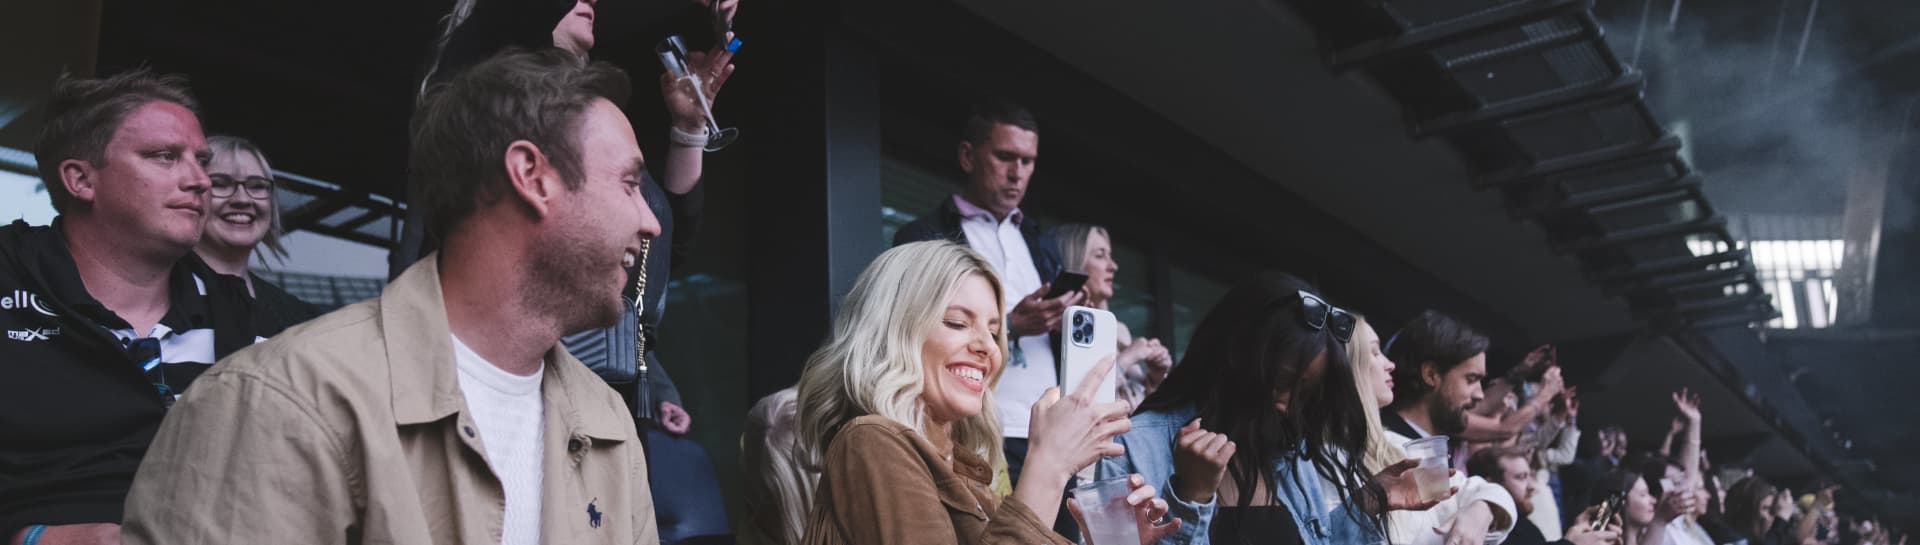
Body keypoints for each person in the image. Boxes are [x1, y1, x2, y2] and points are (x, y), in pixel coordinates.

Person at [120, 49, 662, 544]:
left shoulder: (607, 420)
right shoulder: (276, 401)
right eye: (630, 185)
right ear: (531, 176)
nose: (649, 224)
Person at [2, 69, 263, 545]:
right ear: (81, 179)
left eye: (201, 161)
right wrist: (33, 538)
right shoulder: (8, 287)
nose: (201, 181)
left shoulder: (246, 322)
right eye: (165, 156)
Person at [793, 241, 1175, 544]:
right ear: (894, 329)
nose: (988, 347)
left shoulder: (970, 479)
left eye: (994, 332)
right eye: (957, 323)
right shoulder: (870, 441)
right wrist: (1049, 466)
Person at [1100, 274, 1436, 545]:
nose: (1288, 406)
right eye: (1283, 383)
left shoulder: (1287, 449)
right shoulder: (1133, 449)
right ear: (1235, 358)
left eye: (1307, 393)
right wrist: (1192, 495)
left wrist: (1363, 505)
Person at [892, 102, 1081, 486]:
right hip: (973, 428)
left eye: (1028, 161)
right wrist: (1011, 325)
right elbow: (910, 331)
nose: (1017, 174)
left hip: (1051, 427)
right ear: (967, 155)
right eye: (1005, 157)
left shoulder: (1041, 243)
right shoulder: (924, 236)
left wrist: (1071, 315)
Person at [1381, 310, 1523, 545]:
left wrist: (1483, 508)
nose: (1479, 394)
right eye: (1471, 379)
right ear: (1431, 374)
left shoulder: (1426, 449)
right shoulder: (1385, 447)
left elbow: (1476, 490)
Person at [192, 135, 321, 333]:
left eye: (257, 186)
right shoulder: (153, 298)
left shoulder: (298, 317)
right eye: (220, 184)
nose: (242, 199)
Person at [1050, 223, 1171, 408]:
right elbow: (1074, 403)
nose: (1113, 266)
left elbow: (1143, 413)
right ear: (1075, 262)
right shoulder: (1055, 329)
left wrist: (1155, 378)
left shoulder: (1118, 330)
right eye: (1100, 256)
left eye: (1110, 256)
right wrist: (1127, 358)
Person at [1466, 447, 1621, 545]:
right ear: (1492, 484)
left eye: (1530, 476)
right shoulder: (1487, 531)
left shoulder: (1526, 527)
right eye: (1520, 477)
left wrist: (1580, 531)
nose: (1531, 486)